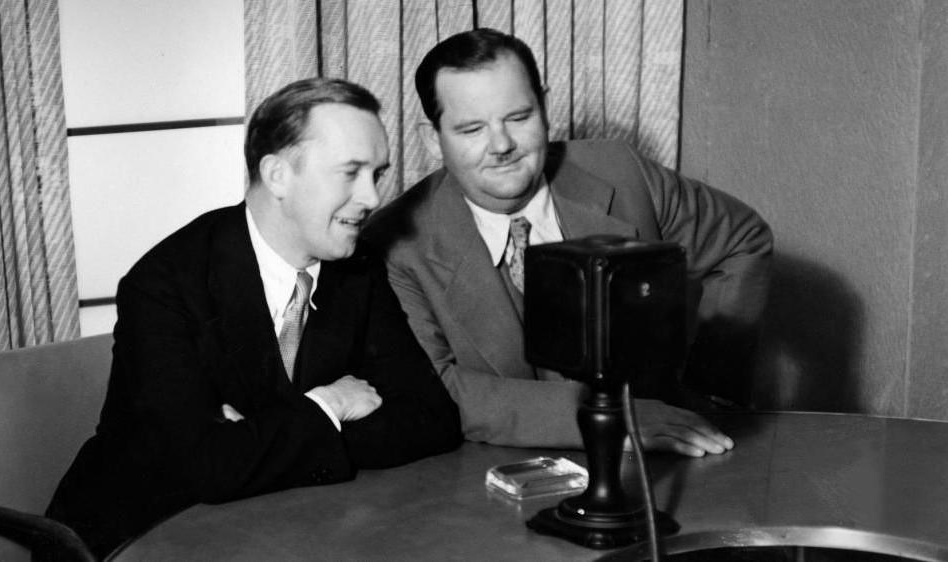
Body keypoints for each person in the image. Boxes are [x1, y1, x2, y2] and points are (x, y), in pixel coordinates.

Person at [45, 78, 462, 558]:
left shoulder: (358, 268)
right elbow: (205, 468)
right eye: (350, 173)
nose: (371, 197)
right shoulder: (163, 282)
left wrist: (253, 440)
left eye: (377, 173)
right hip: (138, 535)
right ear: (278, 174)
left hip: (282, 528)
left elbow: (432, 420)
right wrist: (329, 405)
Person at [364, 29, 772, 455]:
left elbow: (743, 238)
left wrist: (705, 394)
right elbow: (432, 385)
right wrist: (613, 418)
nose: (501, 145)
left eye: (518, 117)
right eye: (471, 129)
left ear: (544, 107)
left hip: (659, 465)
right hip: (485, 477)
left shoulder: (623, 172)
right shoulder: (393, 244)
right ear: (433, 139)